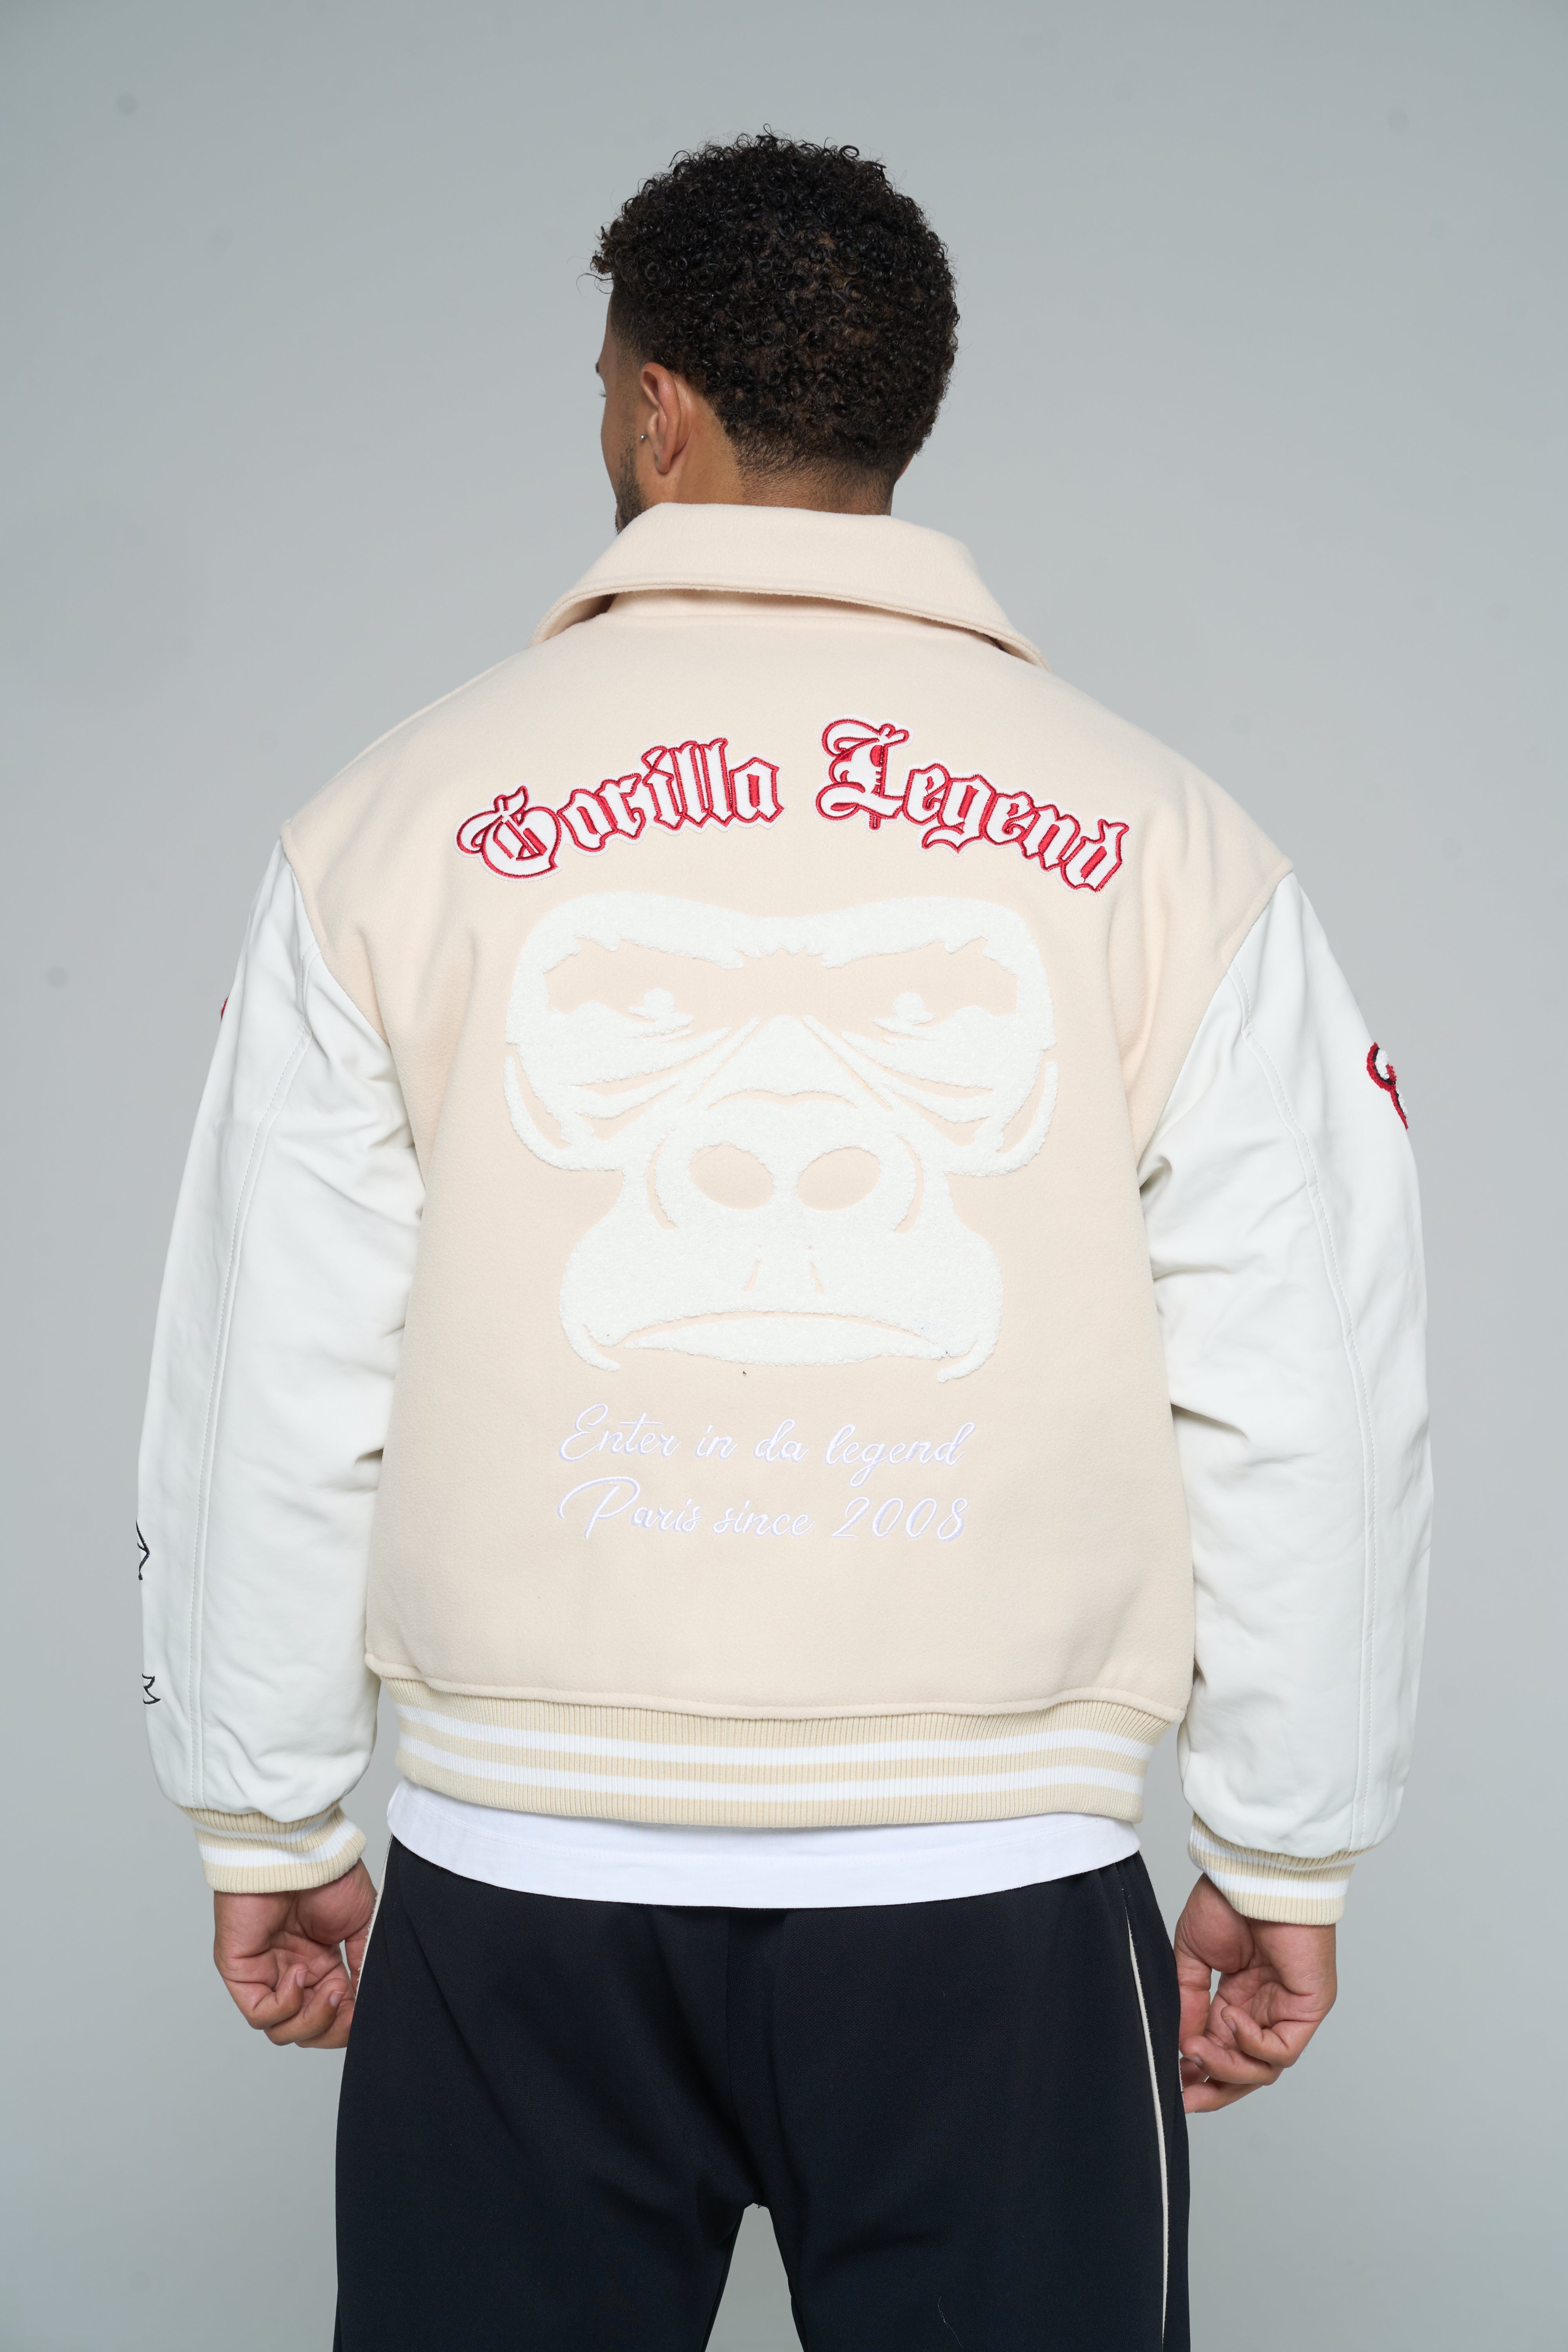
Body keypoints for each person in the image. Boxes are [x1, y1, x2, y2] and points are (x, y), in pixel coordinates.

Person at [138, 134, 1429, 2350]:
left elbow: (276, 1359)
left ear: (655, 407)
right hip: (994, 1894)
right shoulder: (1175, 844)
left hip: (524, 1888)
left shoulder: (389, 822)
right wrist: (1285, 1840)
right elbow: (1305, 1372)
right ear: (901, 423)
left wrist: (265, 1813)